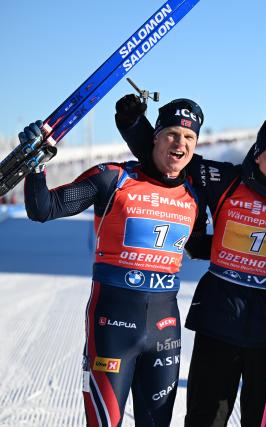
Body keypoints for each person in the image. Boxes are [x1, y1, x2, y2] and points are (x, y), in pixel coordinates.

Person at [115, 94, 266, 426]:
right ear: (258, 156)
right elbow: (172, 158)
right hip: (218, 323)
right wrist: (135, 124)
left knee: (261, 419)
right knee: (206, 418)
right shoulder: (225, 180)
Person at [22, 98, 205, 426]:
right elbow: (44, 209)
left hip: (165, 329)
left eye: (189, 138)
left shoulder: (194, 193)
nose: (180, 144)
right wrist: (35, 167)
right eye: (172, 135)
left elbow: (208, 242)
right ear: (155, 137)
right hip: (112, 326)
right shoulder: (112, 179)